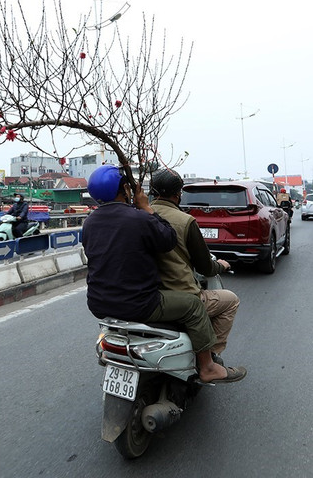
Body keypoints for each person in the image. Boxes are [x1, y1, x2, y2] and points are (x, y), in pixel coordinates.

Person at [81, 164, 233, 383]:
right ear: (125, 189)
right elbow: (168, 239)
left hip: (98, 304)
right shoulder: (139, 218)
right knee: (193, 305)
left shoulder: (89, 223)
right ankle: (208, 367)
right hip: (139, 304)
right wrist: (146, 208)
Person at [149, 169, 247, 382]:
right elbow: (205, 267)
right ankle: (211, 359)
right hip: (178, 296)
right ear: (178, 194)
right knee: (230, 300)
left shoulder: (138, 217)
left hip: (142, 294)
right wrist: (220, 265)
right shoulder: (185, 221)